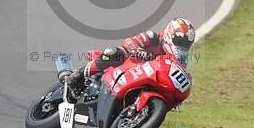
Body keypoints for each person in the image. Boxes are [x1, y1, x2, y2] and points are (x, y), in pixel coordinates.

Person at [65, 18, 196, 89]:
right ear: (170, 34)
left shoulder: (179, 58)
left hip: (144, 79)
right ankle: (79, 75)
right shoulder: (153, 37)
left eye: (185, 44)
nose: (181, 46)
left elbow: (179, 74)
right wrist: (137, 51)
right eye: (179, 41)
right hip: (126, 66)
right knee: (114, 53)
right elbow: (128, 41)